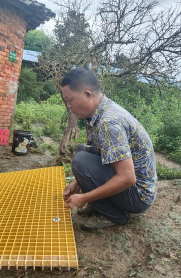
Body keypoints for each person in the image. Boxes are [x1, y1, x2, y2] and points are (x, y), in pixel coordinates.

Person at [61, 67, 157, 230]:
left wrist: (84, 198)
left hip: (139, 196)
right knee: (82, 151)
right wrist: (78, 181)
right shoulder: (96, 113)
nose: (69, 106)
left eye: (70, 100)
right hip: (131, 186)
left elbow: (128, 178)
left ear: (87, 94)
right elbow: (96, 152)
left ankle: (114, 216)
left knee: (80, 161)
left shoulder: (109, 122)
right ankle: (99, 205)